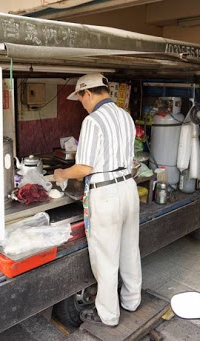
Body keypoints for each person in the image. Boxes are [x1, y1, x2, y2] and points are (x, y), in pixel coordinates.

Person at [54, 74, 141, 327]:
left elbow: (84, 167)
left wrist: (60, 174)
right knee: (129, 249)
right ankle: (132, 300)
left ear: (88, 93)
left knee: (105, 256)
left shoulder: (92, 121)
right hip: (128, 187)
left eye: (80, 99)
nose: (81, 104)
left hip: (106, 195)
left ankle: (108, 315)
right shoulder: (125, 115)